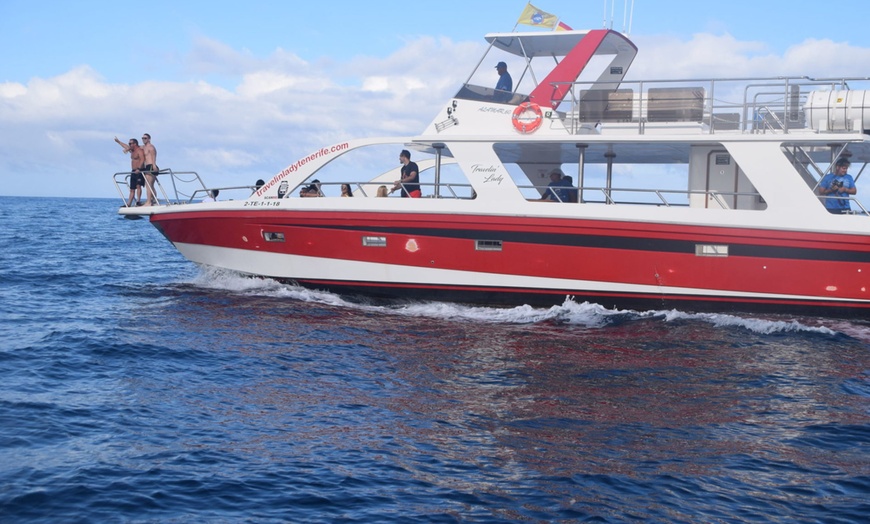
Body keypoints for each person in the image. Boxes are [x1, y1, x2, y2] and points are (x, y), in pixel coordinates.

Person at [115, 137, 145, 206]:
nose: (129, 145)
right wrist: (119, 142)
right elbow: (125, 146)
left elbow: (142, 159)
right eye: (129, 143)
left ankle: (138, 201)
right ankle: (128, 204)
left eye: (130, 144)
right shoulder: (132, 151)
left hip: (139, 170)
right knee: (132, 189)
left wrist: (139, 169)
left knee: (138, 186)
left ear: (135, 144)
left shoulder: (139, 150)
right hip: (133, 171)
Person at [140, 133, 159, 206]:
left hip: (151, 166)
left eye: (145, 138)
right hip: (147, 166)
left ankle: (149, 202)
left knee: (149, 185)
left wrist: (154, 166)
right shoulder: (143, 147)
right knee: (150, 185)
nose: (143, 139)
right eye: (142, 138)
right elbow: (133, 147)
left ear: (149, 139)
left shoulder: (151, 147)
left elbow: (154, 156)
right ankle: (153, 200)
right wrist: (119, 142)